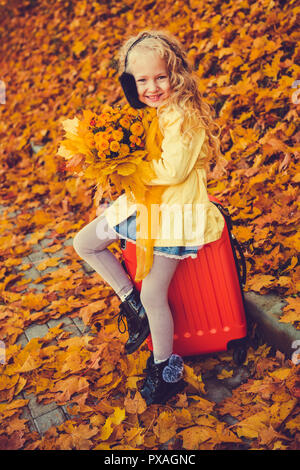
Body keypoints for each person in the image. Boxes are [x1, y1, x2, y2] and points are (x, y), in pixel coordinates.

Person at [73, 30, 226, 405]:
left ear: (176, 74)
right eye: (142, 80)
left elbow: (172, 171)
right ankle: (133, 304)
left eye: (161, 77)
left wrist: (127, 170)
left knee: (156, 291)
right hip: (146, 205)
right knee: (86, 242)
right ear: (131, 83)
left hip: (174, 212)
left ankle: (165, 369)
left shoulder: (184, 116)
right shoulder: (150, 113)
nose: (153, 87)